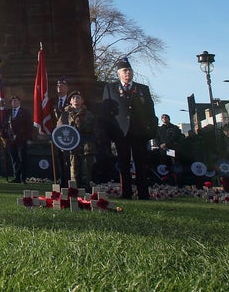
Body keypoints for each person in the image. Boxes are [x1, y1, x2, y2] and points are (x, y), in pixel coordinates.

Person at [100, 58, 158, 199]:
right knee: (123, 164)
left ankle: (143, 193)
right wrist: (110, 133)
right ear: (118, 73)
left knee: (141, 164)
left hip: (139, 132)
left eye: (130, 70)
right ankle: (126, 193)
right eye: (125, 71)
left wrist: (151, 130)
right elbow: (106, 113)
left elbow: (150, 111)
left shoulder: (142, 89)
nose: (128, 73)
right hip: (121, 132)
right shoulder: (110, 88)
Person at [62, 90, 96, 189]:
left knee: (86, 171)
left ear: (82, 101)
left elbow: (94, 130)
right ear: (70, 101)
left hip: (86, 147)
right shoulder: (65, 115)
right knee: (73, 172)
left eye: (78, 98)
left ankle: (86, 193)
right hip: (71, 147)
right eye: (73, 98)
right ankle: (74, 193)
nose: (76, 99)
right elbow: (60, 129)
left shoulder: (89, 115)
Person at [7, 95, 35, 183]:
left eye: (15, 101)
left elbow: (29, 126)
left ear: (19, 102)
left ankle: (23, 178)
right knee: (14, 159)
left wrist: (27, 137)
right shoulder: (7, 112)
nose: (14, 102)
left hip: (21, 139)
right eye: (12, 101)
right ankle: (17, 177)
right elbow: (5, 125)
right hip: (11, 140)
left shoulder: (25, 112)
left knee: (22, 159)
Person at [50, 77, 72, 187]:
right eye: (58, 85)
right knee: (58, 157)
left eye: (62, 85)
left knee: (68, 159)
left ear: (67, 88)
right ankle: (60, 180)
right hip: (55, 135)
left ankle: (68, 180)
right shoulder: (52, 101)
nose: (59, 87)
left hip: (68, 134)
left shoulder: (71, 101)